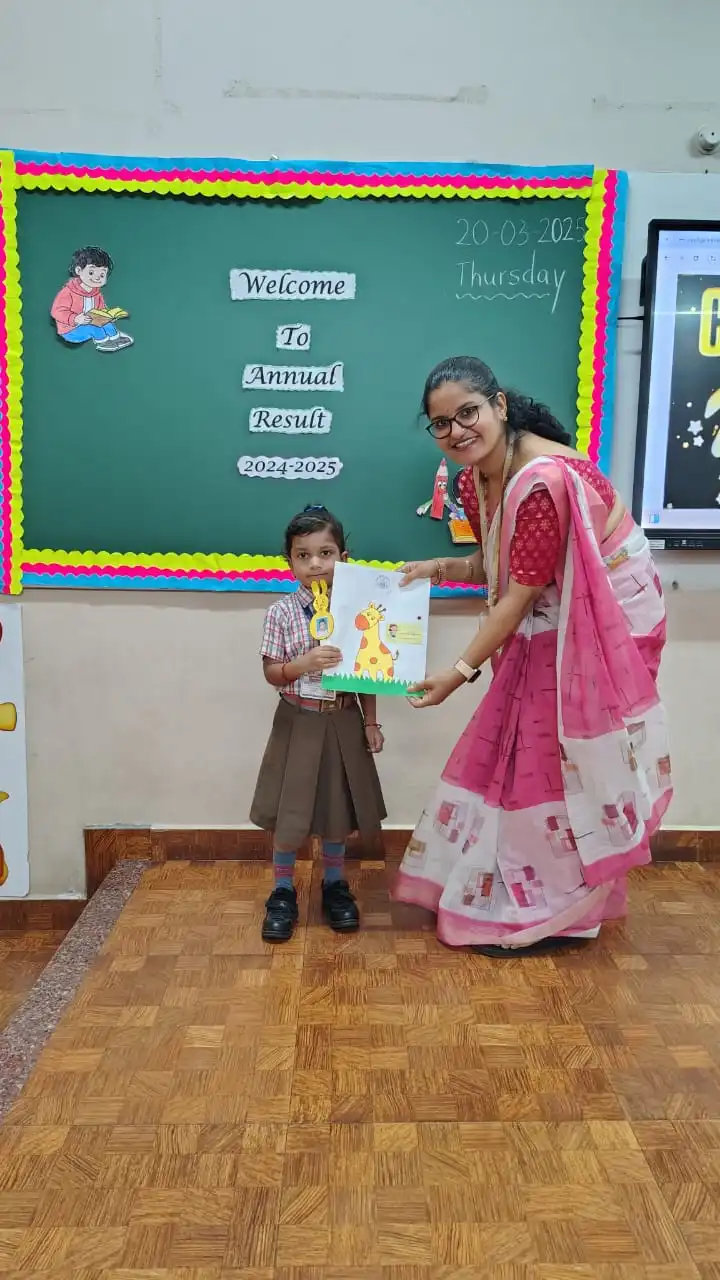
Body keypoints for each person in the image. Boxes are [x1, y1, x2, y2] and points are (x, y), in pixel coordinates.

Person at [394, 356, 672, 957]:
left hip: (605, 622)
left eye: (468, 413)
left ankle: (563, 909)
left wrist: (456, 674)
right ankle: (514, 888)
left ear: (499, 405)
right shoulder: (474, 480)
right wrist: (436, 568)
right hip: (550, 616)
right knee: (525, 749)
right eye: (441, 424)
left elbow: (518, 595)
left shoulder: (542, 481)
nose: (456, 431)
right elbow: (495, 563)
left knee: (557, 756)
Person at [250, 505, 387, 943]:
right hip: (298, 719)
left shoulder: (360, 613)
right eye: (303, 555)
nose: (315, 564)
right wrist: (303, 663)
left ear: (344, 558)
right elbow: (272, 673)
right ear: (289, 561)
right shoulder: (281, 612)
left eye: (326, 553)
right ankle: (282, 891)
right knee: (289, 811)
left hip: (342, 720)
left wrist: (371, 723)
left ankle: (334, 885)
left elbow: (367, 672)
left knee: (335, 808)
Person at [50, 246, 134, 353]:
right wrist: (75, 318)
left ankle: (116, 338)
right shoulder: (68, 292)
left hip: (90, 322)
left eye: (102, 274)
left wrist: (107, 316)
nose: (97, 277)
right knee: (94, 328)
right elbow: (56, 311)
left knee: (107, 325)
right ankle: (104, 342)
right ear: (78, 270)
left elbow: (100, 309)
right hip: (71, 330)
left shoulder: (96, 293)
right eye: (91, 272)